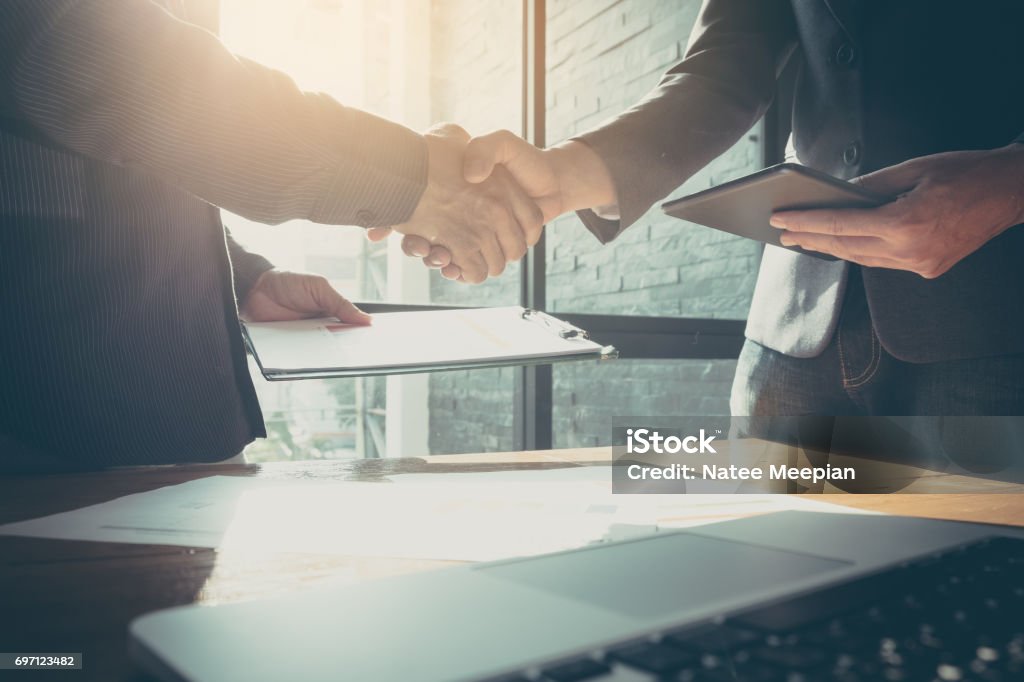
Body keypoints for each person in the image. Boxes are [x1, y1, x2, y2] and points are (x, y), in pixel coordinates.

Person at [388, 0, 1024, 417]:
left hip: (998, 326)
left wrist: (1010, 181)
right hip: (793, 337)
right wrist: (561, 176)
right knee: (761, 597)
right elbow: (722, 70)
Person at [0, 0, 540, 472]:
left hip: (175, 433)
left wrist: (248, 279)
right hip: (49, 441)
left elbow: (148, 165)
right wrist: (416, 179)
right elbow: (129, 75)